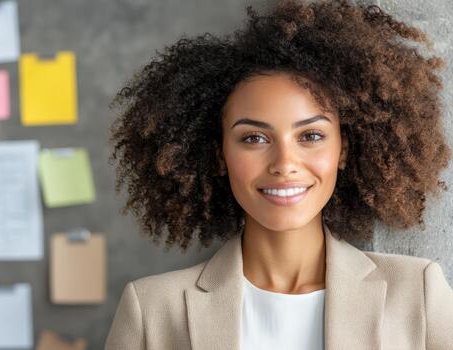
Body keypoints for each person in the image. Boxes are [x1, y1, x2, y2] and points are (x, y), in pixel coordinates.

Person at [104, 0, 453, 349]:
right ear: (219, 155)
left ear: (343, 149)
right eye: (254, 138)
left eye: (310, 136)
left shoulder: (417, 293)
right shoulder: (151, 311)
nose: (284, 163)